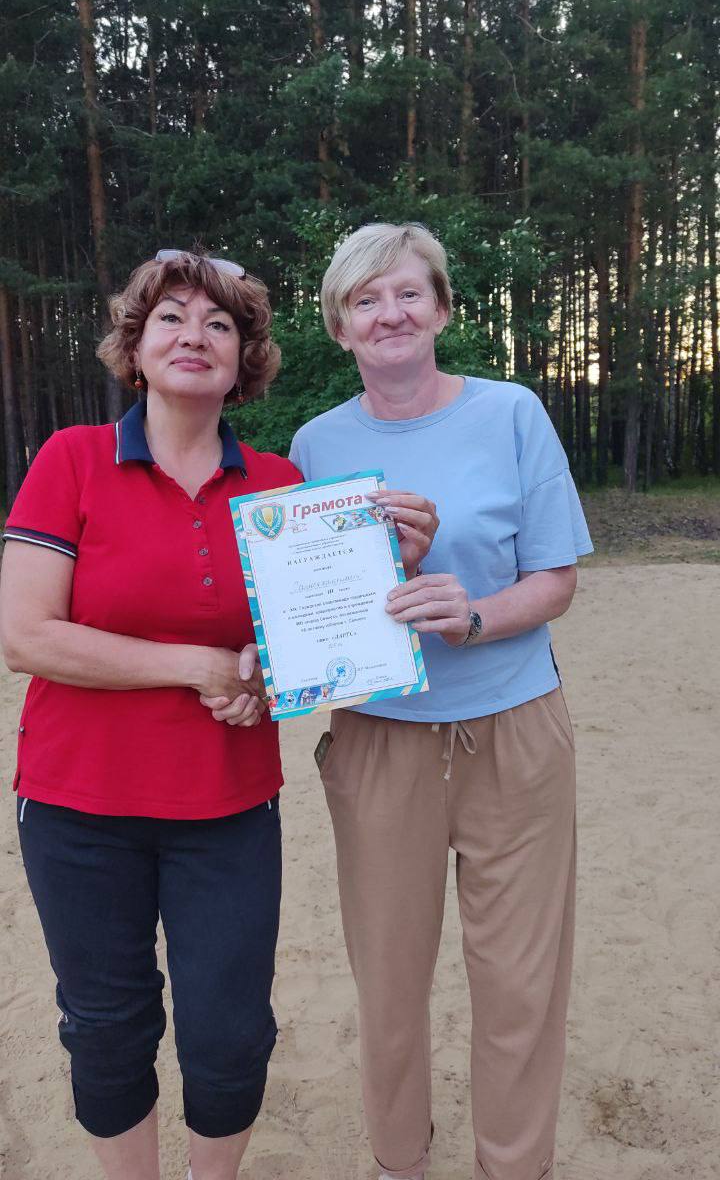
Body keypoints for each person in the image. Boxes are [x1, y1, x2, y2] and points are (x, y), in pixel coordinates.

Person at [289, 223, 593, 1180]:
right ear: (340, 325)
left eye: (408, 293)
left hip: (516, 732)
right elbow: (314, 610)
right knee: (388, 984)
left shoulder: (512, 413)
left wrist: (474, 615)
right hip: (380, 742)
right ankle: (399, 1163)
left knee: (520, 985)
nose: (389, 314)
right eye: (365, 299)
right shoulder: (316, 443)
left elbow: (556, 579)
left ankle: (515, 1166)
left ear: (443, 309)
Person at [0, 251, 302, 1180]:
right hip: (78, 809)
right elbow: (25, 636)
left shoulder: (281, 484)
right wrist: (196, 666)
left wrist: (264, 679)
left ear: (244, 358)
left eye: (220, 324)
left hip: (228, 809)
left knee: (231, 1031)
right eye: (170, 318)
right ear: (135, 348)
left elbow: (304, 649)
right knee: (106, 1025)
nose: (193, 336)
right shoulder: (72, 459)